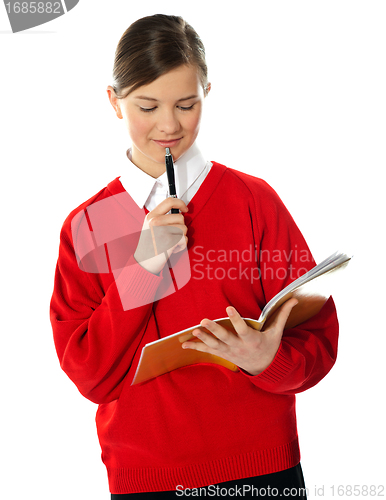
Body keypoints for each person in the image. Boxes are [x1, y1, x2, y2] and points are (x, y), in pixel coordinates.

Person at [50, 14, 339, 499]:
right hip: (148, 478)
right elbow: (89, 374)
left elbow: (319, 336)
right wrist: (142, 270)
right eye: (147, 106)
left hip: (263, 466)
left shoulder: (254, 201)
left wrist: (269, 360)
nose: (168, 125)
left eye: (187, 104)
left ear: (207, 90)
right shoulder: (89, 224)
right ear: (114, 102)